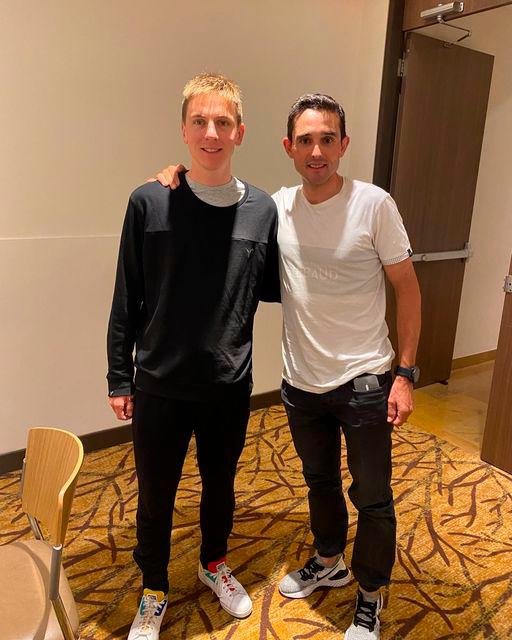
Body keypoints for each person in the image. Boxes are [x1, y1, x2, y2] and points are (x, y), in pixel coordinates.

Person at [154, 93, 421, 640]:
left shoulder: (374, 205)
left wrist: (406, 374)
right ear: (288, 147)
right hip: (300, 383)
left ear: (343, 145)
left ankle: (370, 595)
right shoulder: (276, 206)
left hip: (365, 380)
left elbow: (409, 290)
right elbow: (221, 204)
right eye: (305, 140)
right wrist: (176, 178)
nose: (316, 151)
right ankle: (329, 560)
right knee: (319, 480)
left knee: (372, 495)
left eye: (327, 139)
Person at [107, 73, 280, 640]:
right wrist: (119, 376)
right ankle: (154, 587)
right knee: (155, 496)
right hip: (159, 382)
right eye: (200, 121)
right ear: (183, 130)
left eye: (222, 122)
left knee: (220, 486)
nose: (211, 133)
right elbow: (127, 294)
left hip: (227, 384)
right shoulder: (149, 201)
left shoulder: (262, 210)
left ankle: (213, 563)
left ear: (240, 132)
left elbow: (275, 285)